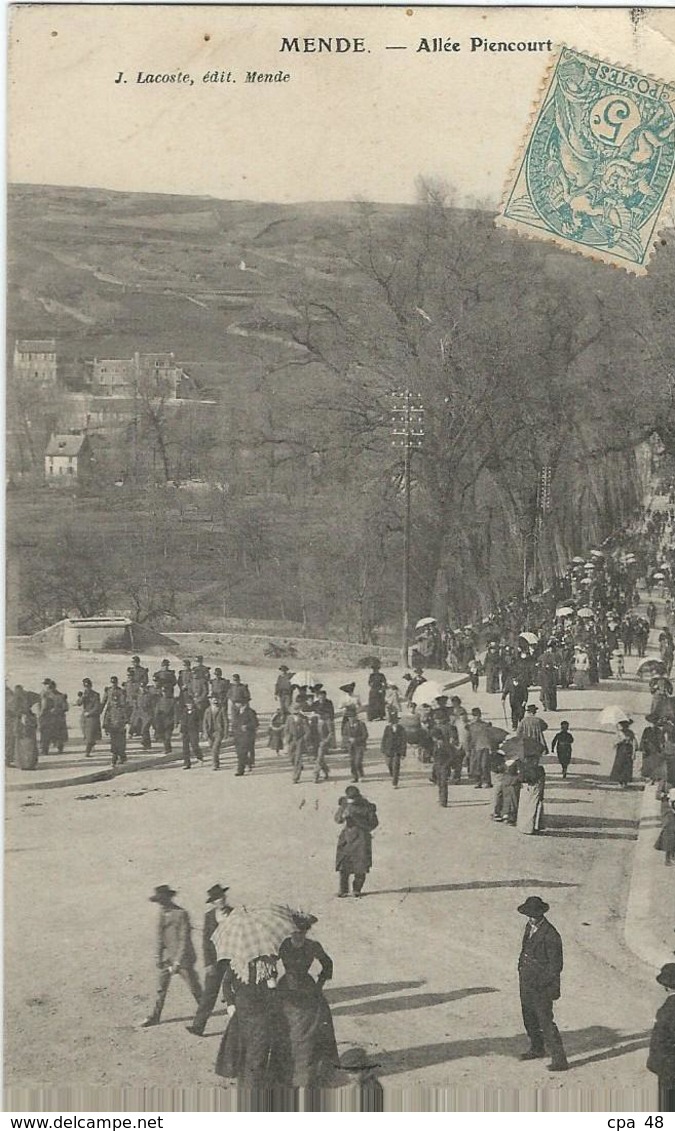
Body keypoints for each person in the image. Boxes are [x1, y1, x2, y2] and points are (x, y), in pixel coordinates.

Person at [275, 912, 338, 1087]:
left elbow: (328, 963)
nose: (298, 936)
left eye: (301, 933)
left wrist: (319, 985)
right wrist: (271, 979)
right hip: (285, 989)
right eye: (295, 933)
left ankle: (309, 1070)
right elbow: (270, 961)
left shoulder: (313, 946)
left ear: (306, 932)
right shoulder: (284, 945)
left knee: (311, 1030)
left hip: (307, 990)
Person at [516, 896, 568, 1071]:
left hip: (542, 986)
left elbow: (556, 966)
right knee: (529, 1018)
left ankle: (559, 1060)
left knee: (545, 1021)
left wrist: (541, 983)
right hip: (527, 982)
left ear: (541, 914)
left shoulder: (551, 934)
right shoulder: (529, 927)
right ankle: (537, 1048)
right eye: (529, 915)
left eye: (534, 915)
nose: (531, 918)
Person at [141, 885, 202, 1027]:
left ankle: (204, 1010)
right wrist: (158, 956)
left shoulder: (181, 914)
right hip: (168, 958)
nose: (161, 904)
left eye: (162, 900)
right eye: (159, 901)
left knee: (194, 987)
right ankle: (155, 1016)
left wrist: (178, 962)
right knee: (161, 989)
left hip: (183, 959)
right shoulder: (162, 914)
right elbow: (160, 937)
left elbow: (184, 940)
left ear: (169, 899)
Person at [215, 956, 279, 1087]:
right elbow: (226, 984)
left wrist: (272, 986)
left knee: (259, 1053)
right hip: (241, 1015)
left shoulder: (267, 965)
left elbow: (273, 991)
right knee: (241, 1052)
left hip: (261, 1015)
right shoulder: (235, 965)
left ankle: (254, 1087)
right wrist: (230, 1003)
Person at [187, 883, 232, 1036]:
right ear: (213, 902)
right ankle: (198, 1026)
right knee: (209, 994)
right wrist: (208, 963)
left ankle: (239, 1029)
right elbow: (206, 942)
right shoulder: (209, 916)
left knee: (236, 993)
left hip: (233, 960)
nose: (222, 899)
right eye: (218, 898)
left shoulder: (234, 913)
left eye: (223, 896)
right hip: (215, 961)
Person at [335, 786, 378, 898]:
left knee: (360, 865)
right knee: (343, 864)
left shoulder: (367, 807)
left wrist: (356, 819)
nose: (351, 801)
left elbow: (373, 824)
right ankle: (343, 890)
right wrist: (342, 815)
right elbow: (337, 819)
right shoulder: (345, 804)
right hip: (346, 837)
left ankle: (356, 889)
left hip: (361, 838)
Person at [647, 963, 675, 1111]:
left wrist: (654, 1064)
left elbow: (658, 1041)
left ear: (666, 986)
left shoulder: (667, 1010)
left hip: (669, 1067)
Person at [102, 677, 127, 767]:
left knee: (121, 743)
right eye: (112, 683)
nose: (114, 684)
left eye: (115, 683)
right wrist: (105, 727)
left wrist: (125, 723)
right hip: (113, 726)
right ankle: (115, 758)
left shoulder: (121, 693)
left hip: (120, 727)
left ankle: (121, 756)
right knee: (114, 743)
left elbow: (125, 716)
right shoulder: (109, 709)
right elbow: (104, 703)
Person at [517, 760, 546, 834]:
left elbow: (520, 779)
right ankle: (533, 827)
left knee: (524, 808)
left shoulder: (523, 767)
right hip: (535, 788)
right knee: (533, 807)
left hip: (525, 788)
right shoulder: (540, 769)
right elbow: (542, 782)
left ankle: (524, 827)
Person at [285, 704, 311, 784]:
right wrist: (287, 739)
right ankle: (299, 766)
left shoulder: (303, 719)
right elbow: (286, 729)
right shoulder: (289, 718)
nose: (295, 713)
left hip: (300, 739)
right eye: (293, 711)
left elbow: (308, 731)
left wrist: (303, 739)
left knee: (298, 759)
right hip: (292, 739)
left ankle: (295, 777)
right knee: (290, 756)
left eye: (296, 711)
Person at [380, 712, 407, 788]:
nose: (393, 723)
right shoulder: (387, 728)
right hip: (388, 750)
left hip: (397, 751)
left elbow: (403, 741)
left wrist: (403, 753)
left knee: (396, 766)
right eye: (392, 721)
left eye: (395, 721)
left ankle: (395, 782)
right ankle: (393, 775)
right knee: (389, 764)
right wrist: (383, 749)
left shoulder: (401, 729)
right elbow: (384, 739)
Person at [343, 706, 368, 783]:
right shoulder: (347, 725)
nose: (351, 719)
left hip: (359, 746)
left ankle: (360, 775)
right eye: (349, 717)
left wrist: (356, 739)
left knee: (358, 761)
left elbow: (365, 735)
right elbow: (344, 735)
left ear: (356, 717)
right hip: (351, 746)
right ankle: (355, 777)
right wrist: (348, 740)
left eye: (353, 717)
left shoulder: (361, 724)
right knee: (352, 762)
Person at [610, 718, 637, 787]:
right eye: (623, 725)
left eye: (626, 725)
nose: (625, 726)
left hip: (628, 750)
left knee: (627, 766)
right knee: (620, 765)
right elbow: (614, 744)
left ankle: (625, 781)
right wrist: (620, 741)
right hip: (621, 750)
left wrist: (634, 753)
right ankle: (620, 781)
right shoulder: (619, 733)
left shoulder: (630, 733)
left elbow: (634, 742)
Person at [78, 678, 102, 757]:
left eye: (88, 686)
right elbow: (79, 703)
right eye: (85, 686)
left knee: (90, 735)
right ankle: (91, 745)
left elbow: (97, 706)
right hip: (84, 717)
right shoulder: (84, 695)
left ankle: (87, 752)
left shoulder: (95, 695)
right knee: (86, 734)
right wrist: (82, 697)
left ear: (91, 686)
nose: (87, 688)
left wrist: (90, 713)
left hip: (92, 717)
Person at [178, 694, 203, 769]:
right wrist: (181, 731)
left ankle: (199, 756)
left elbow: (200, 721)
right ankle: (187, 763)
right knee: (185, 747)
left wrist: (200, 731)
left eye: (191, 704)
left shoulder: (197, 711)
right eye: (188, 704)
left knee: (194, 745)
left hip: (194, 730)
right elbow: (183, 722)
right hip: (185, 731)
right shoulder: (184, 712)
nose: (189, 705)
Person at [203, 694, 228, 770]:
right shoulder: (207, 710)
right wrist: (205, 732)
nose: (215, 701)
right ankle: (216, 760)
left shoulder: (222, 709)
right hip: (210, 732)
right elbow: (205, 722)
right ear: (210, 701)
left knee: (215, 748)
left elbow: (226, 722)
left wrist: (226, 732)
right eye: (213, 700)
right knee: (212, 747)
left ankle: (215, 764)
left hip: (218, 732)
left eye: (216, 700)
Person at [15, 702, 39, 770]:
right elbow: (34, 725)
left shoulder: (23, 715)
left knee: (25, 750)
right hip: (28, 734)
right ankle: (29, 765)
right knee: (29, 750)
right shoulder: (30, 715)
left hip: (25, 734)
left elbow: (23, 725)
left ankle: (26, 765)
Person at [655, 791, 675, 866]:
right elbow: (657, 795)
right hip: (669, 811)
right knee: (670, 835)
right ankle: (668, 859)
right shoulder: (666, 782)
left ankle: (672, 855)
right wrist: (665, 795)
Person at [154, 685, 176, 754]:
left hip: (169, 720)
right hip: (161, 721)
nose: (164, 693)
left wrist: (176, 722)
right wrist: (156, 720)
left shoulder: (172, 701)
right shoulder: (159, 701)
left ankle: (167, 749)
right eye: (163, 692)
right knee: (163, 736)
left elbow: (175, 712)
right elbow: (156, 711)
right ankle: (167, 748)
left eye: (166, 691)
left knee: (168, 736)